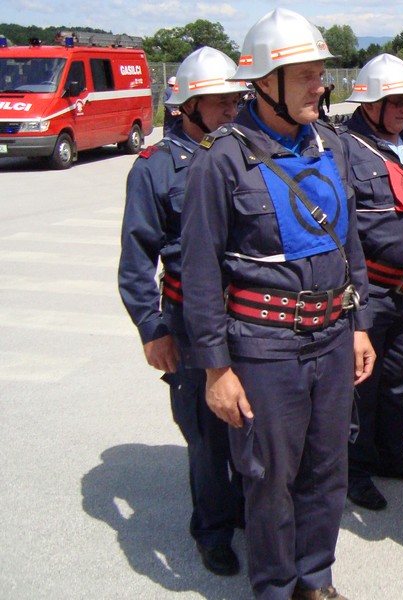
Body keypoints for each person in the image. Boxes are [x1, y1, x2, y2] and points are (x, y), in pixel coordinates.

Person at [180, 9, 375, 600]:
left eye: (321, 73)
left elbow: (349, 243)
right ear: (266, 82)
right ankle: (274, 586)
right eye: (308, 75)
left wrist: (359, 324)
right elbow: (200, 271)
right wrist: (216, 369)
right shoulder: (221, 159)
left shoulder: (330, 145)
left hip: (332, 337)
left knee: (327, 468)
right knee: (268, 478)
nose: (322, 85)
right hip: (265, 348)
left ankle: (315, 579)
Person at [117, 47, 248, 576]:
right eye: (218, 102)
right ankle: (213, 529)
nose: (231, 111)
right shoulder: (155, 167)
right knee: (207, 434)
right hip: (189, 320)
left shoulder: (244, 153)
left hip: (247, 316)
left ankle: (249, 509)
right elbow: (136, 258)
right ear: (186, 105)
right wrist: (152, 329)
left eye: (235, 101)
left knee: (252, 421)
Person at [339, 54, 403, 511]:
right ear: (369, 104)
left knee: (400, 380)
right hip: (369, 291)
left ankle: (392, 455)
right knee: (361, 386)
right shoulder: (345, 149)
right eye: (395, 102)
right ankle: (355, 471)